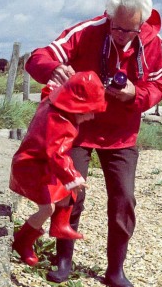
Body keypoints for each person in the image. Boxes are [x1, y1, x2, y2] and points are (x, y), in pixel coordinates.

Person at [24, 0, 162, 287]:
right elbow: (37, 57)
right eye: (116, 28)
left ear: (142, 22)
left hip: (122, 134)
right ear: (108, 16)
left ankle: (115, 270)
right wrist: (53, 69)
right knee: (70, 193)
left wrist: (133, 94)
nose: (121, 36)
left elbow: (158, 86)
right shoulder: (87, 31)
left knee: (124, 199)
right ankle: (63, 261)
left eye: (130, 31)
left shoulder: (153, 42)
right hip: (77, 128)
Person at [9, 71, 107, 267]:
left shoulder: (52, 102)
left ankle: (60, 225)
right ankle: (22, 241)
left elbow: (50, 91)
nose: (92, 116)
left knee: (66, 191)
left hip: (39, 162)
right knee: (47, 208)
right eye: (89, 110)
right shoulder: (61, 123)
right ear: (77, 106)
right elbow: (57, 153)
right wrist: (73, 177)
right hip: (31, 166)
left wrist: (58, 82)